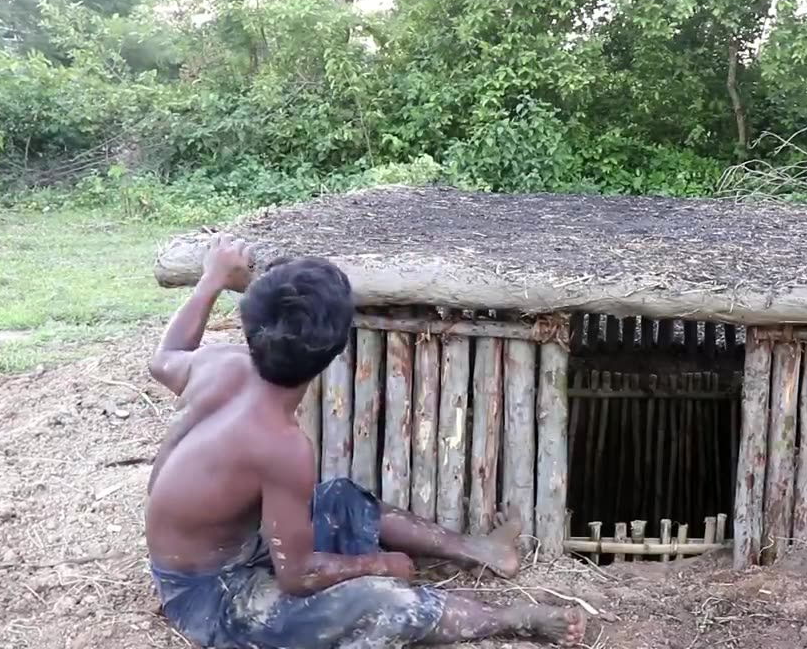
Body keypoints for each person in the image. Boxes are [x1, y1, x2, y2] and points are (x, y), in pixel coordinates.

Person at [144, 233, 586, 648]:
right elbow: (297, 576)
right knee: (382, 601)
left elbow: (163, 359)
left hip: (225, 550)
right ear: (336, 353)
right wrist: (377, 564)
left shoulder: (221, 365)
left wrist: (212, 279)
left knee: (342, 498)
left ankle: (479, 549)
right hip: (209, 594)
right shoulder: (281, 446)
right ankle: (510, 620)